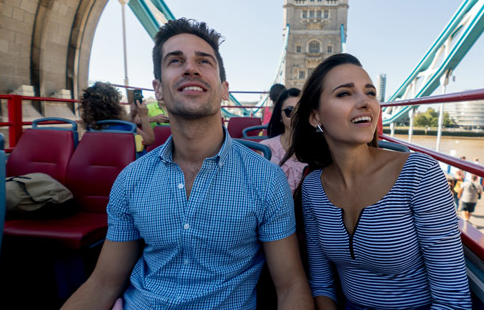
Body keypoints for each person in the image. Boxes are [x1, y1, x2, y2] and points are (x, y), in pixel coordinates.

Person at [62, 19, 313, 309]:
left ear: (224, 89)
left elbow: (291, 286)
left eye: (204, 61)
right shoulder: (130, 180)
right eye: (175, 60)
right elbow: (103, 283)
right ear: (158, 89)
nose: (190, 68)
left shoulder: (267, 180)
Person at [286, 53, 471, 309]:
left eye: (370, 93)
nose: (365, 102)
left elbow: (452, 299)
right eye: (344, 94)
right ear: (315, 117)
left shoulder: (419, 174)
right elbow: (322, 284)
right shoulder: (313, 188)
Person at [78, 82, 155, 150]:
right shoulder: (127, 127)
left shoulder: (91, 127)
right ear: (115, 106)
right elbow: (149, 140)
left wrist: (133, 113)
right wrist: (144, 116)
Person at [260, 88, 307, 194]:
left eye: (301, 110)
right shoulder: (266, 149)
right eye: (290, 111)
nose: (296, 115)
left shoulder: (319, 149)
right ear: (280, 117)